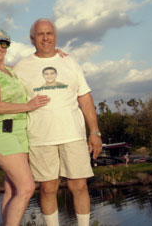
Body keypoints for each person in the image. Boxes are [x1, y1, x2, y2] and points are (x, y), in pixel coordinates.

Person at [13, 18, 102, 226]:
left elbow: (85, 98)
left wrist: (94, 132)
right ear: (32, 38)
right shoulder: (21, 67)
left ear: (55, 36)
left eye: (49, 33)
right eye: (40, 34)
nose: (45, 38)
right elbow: (5, 88)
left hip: (73, 134)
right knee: (48, 188)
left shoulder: (69, 61)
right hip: (40, 137)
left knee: (79, 186)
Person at [0, 28, 50, 226]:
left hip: (19, 131)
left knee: (12, 189)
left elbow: (36, 63)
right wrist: (28, 106)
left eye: (3, 43)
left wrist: (56, 55)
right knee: (26, 187)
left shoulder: (10, 70)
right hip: (1, 131)